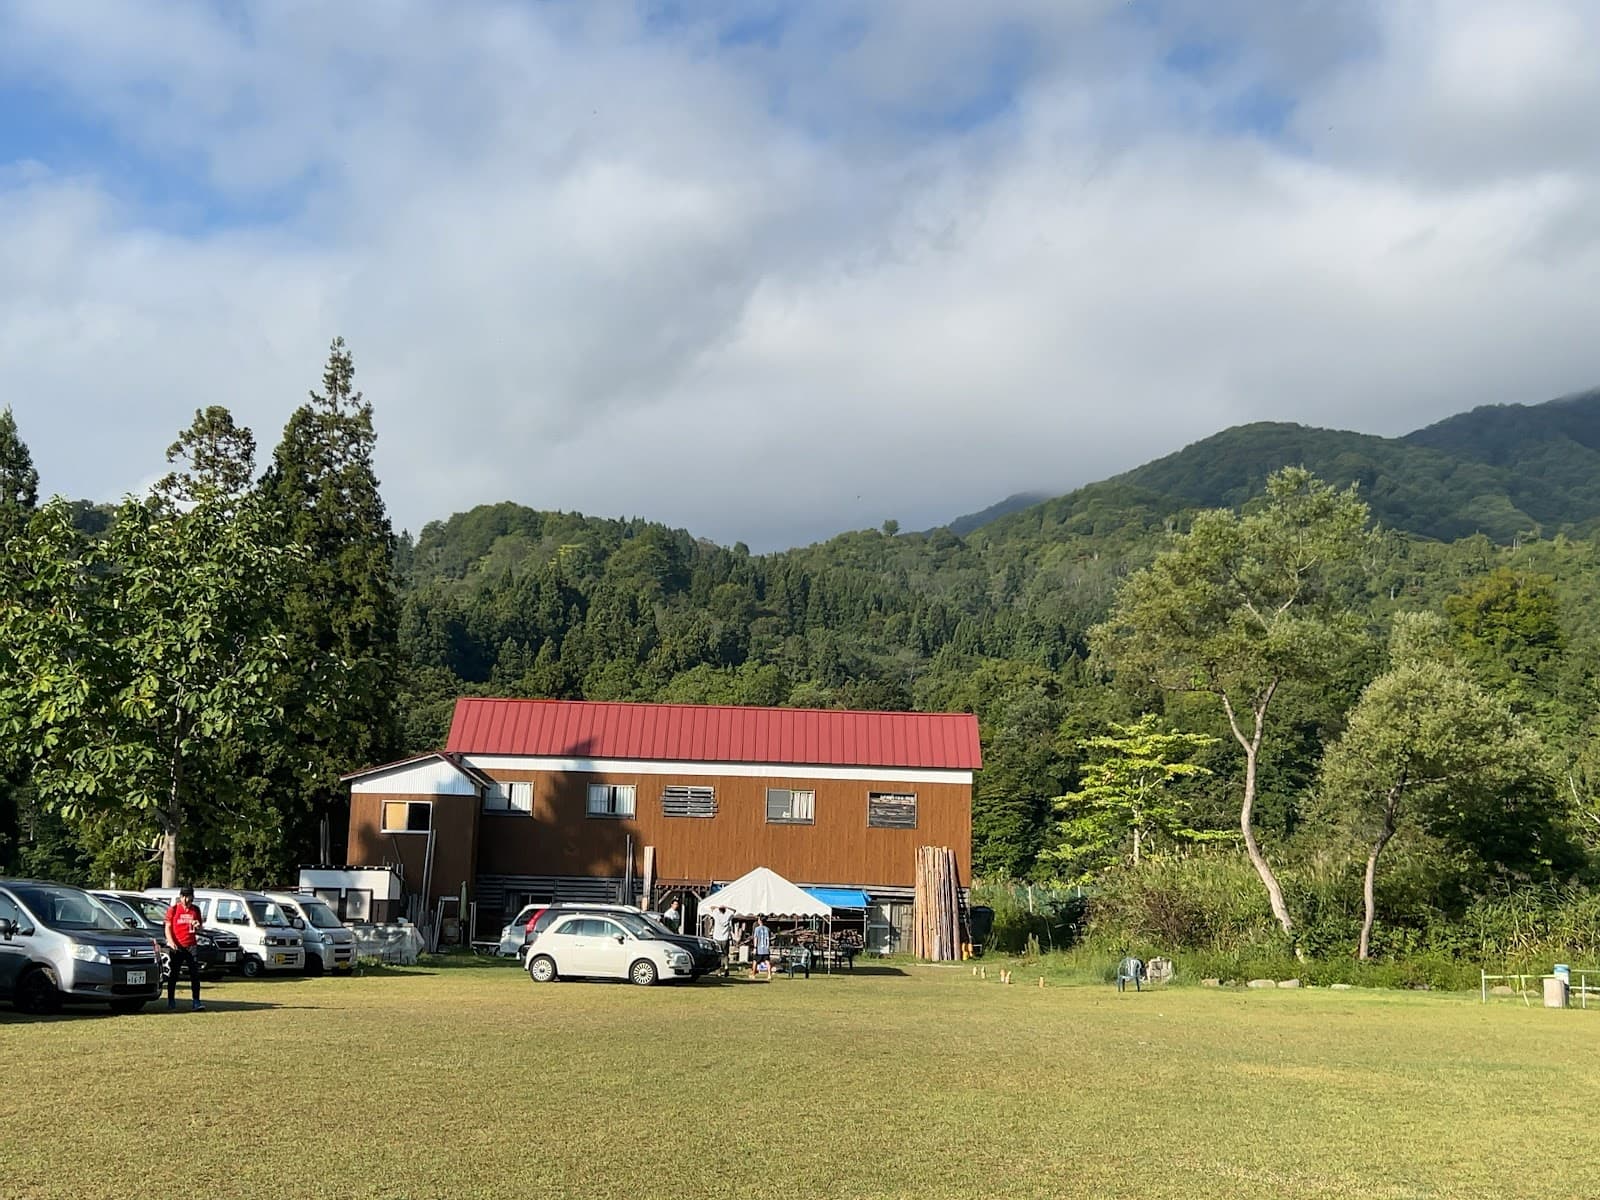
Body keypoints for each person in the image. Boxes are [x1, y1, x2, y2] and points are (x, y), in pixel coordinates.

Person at [164, 887, 206, 1012]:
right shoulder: (173, 909)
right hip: (177, 946)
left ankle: (196, 1001)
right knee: (174, 974)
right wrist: (171, 942)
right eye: (184, 898)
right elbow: (167, 927)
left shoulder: (195, 910)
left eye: (189, 898)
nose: (187, 901)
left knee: (194, 974)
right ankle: (171, 1000)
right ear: (181, 897)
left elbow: (200, 927)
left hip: (191, 945)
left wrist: (197, 926)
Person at [708, 905, 734, 977]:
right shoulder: (728, 915)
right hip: (725, 938)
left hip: (717, 937)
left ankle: (718, 971)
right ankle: (726, 967)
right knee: (725, 954)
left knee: (717, 955)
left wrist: (718, 906)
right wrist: (727, 907)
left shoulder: (716, 914)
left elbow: (711, 907)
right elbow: (734, 911)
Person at [750, 914, 771, 981]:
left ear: (760, 921)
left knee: (755, 961)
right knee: (767, 961)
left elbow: (755, 938)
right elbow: (768, 939)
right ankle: (769, 975)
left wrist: (755, 947)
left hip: (759, 948)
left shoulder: (757, 929)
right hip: (765, 948)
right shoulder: (767, 929)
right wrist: (768, 947)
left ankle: (753, 974)